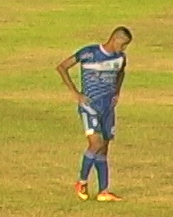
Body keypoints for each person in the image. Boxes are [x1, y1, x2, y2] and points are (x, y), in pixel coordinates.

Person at [55, 26, 133, 202]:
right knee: (95, 143)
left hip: (107, 108)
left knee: (104, 148)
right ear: (115, 40)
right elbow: (62, 67)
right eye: (124, 45)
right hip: (90, 106)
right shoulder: (89, 53)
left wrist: (117, 92)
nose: (124, 49)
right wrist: (76, 93)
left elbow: (121, 73)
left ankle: (103, 191)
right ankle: (81, 182)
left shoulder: (120, 58)